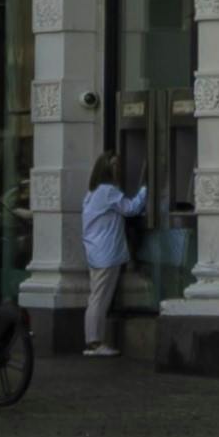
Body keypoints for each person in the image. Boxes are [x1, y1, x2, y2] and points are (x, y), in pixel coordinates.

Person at [78, 152, 146, 359]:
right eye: (114, 165)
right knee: (99, 298)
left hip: (96, 251)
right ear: (106, 169)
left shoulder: (93, 192)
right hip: (105, 253)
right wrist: (146, 189)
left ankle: (93, 341)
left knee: (96, 297)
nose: (119, 169)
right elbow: (131, 208)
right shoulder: (108, 191)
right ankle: (94, 343)